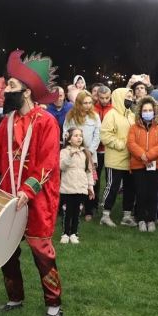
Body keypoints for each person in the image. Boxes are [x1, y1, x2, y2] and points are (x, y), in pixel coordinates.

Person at [0, 50, 63, 316]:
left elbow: (48, 163)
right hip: (9, 197)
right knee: (7, 250)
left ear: (27, 91)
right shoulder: (5, 123)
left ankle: (54, 304)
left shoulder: (46, 122)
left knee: (42, 253)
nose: (5, 90)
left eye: (11, 85)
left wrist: (28, 189)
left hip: (38, 199)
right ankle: (15, 298)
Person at [127, 97, 158, 233]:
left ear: (155, 111)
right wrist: (142, 155)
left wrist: (148, 155)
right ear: (140, 112)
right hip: (138, 165)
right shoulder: (133, 128)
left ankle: (151, 219)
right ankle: (140, 219)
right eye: (145, 110)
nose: (147, 112)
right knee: (140, 193)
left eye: (150, 110)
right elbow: (131, 143)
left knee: (152, 193)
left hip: (156, 165)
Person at [99, 88, 137, 228]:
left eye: (131, 97)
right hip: (115, 159)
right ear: (120, 97)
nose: (130, 99)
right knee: (112, 186)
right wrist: (121, 144)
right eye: (127, 96)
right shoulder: (111, 115)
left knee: (130, 187)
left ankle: (127, 216)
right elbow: (105, 135)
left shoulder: (131, 115)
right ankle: (105, 215)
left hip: (131, 159)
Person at [63, 90, 101, 220]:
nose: (88, 105)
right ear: (79, 103)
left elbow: (98, 135)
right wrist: (73, 148)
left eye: (90, 103)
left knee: (90, 180)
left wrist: (90, 151)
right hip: (75, 154)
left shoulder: (95, 116)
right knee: (75, 180)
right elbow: (65, 133)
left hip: (90, 154)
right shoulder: (71, 116)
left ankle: (89, 210)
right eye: (85, 103)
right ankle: (74, 207)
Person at [59, 128, 95, 244]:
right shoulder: (64, 152)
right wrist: (70, 155)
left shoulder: (85, 153)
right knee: (67, 212)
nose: (79, 138)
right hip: (67, 188)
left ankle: (74, 233)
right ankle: (65, 233)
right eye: (75, 135)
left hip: (81, 188)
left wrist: (90, 187)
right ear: (69, 139)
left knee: (77, 212)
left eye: (80, 135)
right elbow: (62, 167)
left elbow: (89, 171)